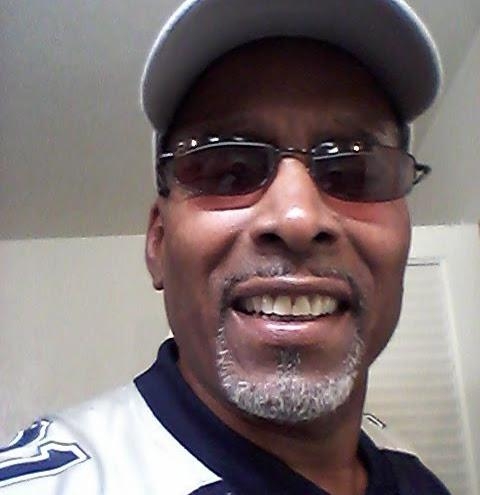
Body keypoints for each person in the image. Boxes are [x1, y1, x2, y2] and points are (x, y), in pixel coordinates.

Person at [0, 0, 452, 494]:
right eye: (229, 170)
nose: (297, 218)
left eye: (353, 170)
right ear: (158, 242)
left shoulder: (416, 476)